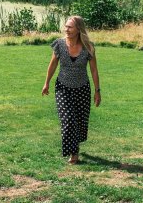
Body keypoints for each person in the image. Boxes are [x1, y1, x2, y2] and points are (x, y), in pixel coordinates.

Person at [42, 16, 100, 165]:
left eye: (70, 27)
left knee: (79, 122)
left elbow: (93, 70)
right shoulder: (59, 45)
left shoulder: (89, 47)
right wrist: (46, 83)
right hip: (63, 87)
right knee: (68, 120)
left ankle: (75, 147)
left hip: (82, 88)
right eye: (66, 26)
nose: (66, 29)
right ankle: (74, 154)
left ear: (78, 29)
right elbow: (53, 65)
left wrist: (97, 90)